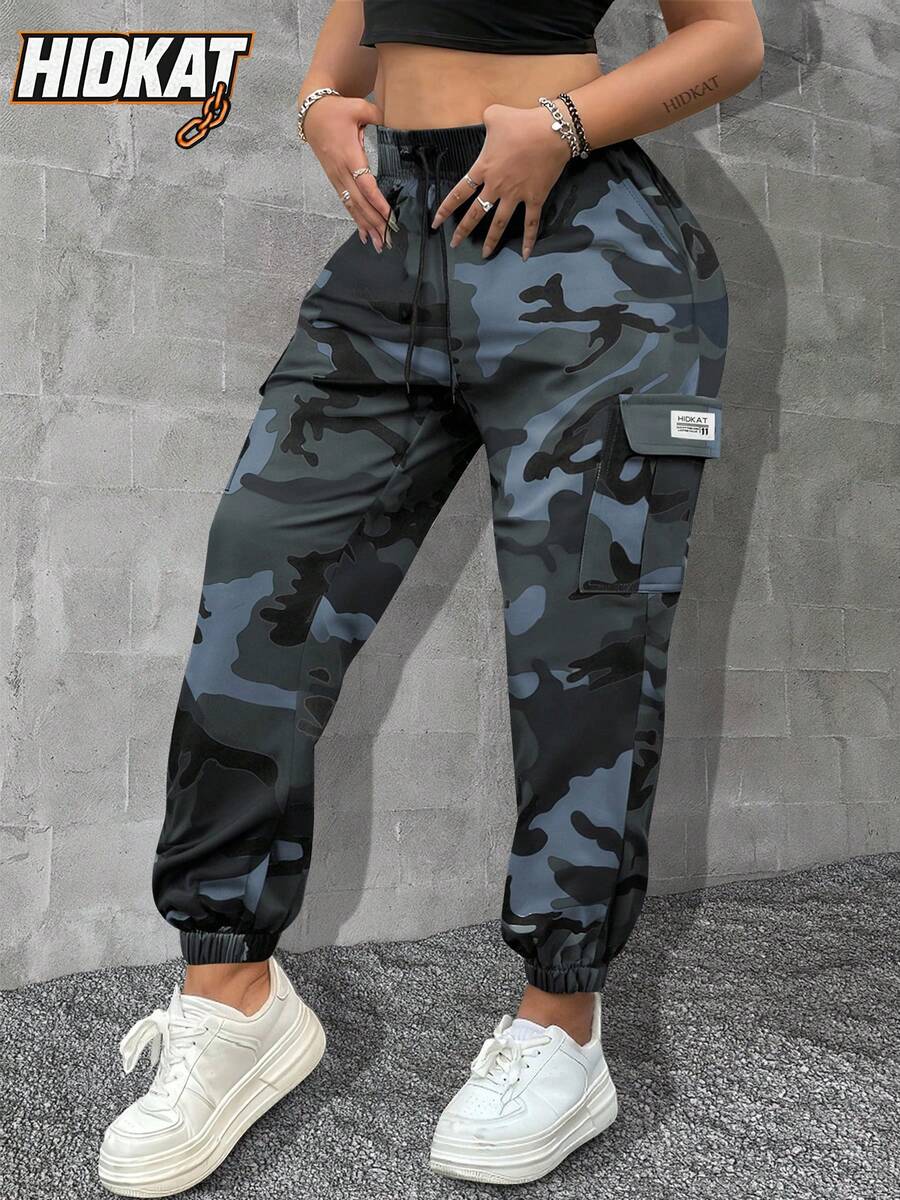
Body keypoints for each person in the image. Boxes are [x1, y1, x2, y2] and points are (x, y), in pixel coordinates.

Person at [99, 1, 763, 1193]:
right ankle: (234, 994)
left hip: (595, 254)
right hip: (394, 239)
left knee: (585, 639)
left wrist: (562, 125)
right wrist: (319, 106)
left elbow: (728, 38)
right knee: (258, 586)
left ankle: (562, 1023)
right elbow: (358, 25)